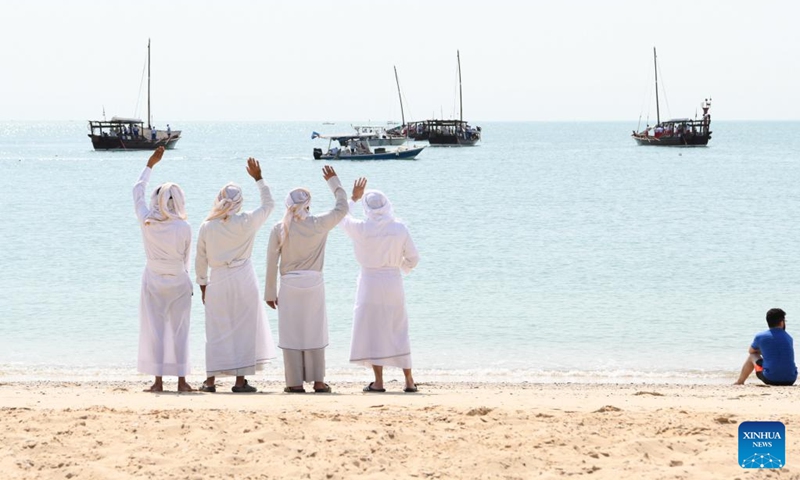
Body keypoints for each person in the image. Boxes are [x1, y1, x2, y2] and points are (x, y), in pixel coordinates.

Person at [196, 158, 277, 393]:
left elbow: (200, 259)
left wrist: (203, 285)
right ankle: (240, 381)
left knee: (216, 329)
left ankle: (210, 380)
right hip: (243, 277)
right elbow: (269, 205)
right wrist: (259, 179)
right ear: (239, 203)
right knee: (244, 329)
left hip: (218, 279)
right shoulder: (247, 221)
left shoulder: (207, 225)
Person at [265, 165, 347, 394]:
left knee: (291, 334)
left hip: (289, 285)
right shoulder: (319, 223)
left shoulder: (280, 228)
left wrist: (270, 293)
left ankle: (294, 383)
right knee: (314, 332)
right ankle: (319, 382)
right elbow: (342, 208)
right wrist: (334, 183)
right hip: (313, 284)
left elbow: (271, 262)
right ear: (308, 204)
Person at [339, 179, 420, 393]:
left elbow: (341, 217)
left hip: (369, 283)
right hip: (393, 281)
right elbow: (414, 258)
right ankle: (409, 380)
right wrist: (399, 265)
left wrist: (354, 198)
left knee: (373, 330)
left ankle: (379, 381)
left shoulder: (361, 228)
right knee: (399, 329)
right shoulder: (399, 228)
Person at [132, 146, 193, 393]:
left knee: (155, 330)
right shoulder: (184, 226)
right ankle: (181, 381)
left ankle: (157, 381)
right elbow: (187, 258)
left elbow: (137, 192)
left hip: (154, 280)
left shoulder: (147, 221)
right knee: (180, 330)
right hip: (179, 281)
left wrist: (150, 164)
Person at [735, 308, 797, 386]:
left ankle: (740, 381)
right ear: (782, 322)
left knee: (752, 356)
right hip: (791, 379)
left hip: (771, 379)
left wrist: (763, 351)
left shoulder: (761, 336)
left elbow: (751, 351)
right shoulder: (789, 337)